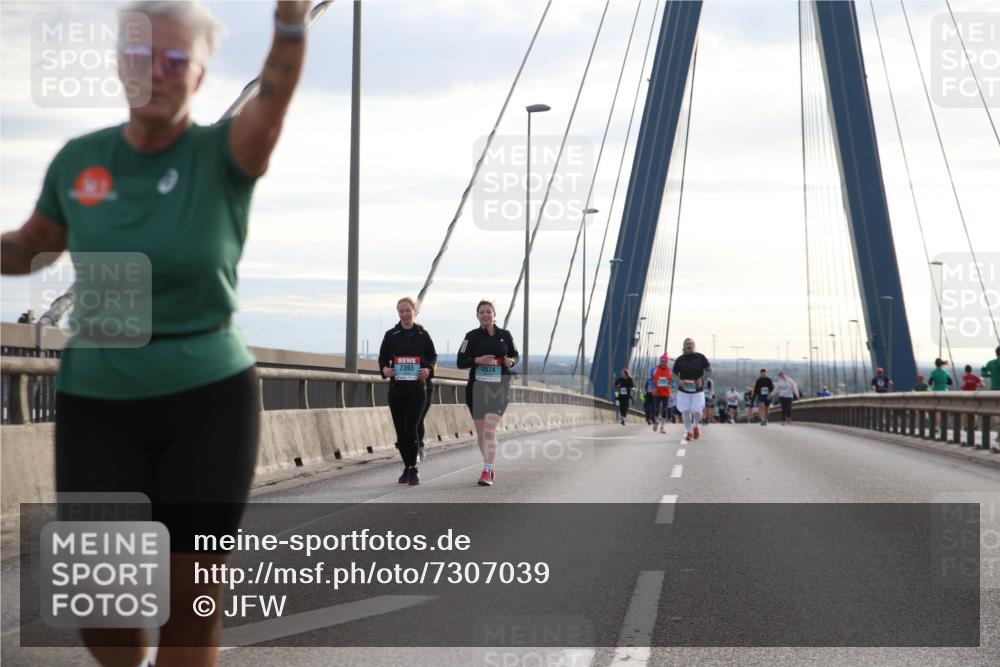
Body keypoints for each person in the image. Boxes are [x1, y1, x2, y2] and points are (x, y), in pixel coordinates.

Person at [0, 2, 310, 665]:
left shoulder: (225, 154)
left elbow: (275, 93)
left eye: (176, 61)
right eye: (142, 57)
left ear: (199, 78)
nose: (157, 73)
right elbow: (32, 246)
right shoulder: (80, 162)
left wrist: (289, 23)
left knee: (190, 607)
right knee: (101, 609)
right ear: (119, 65)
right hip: (99, 402)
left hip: (208, 400)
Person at [456, 300, 518, 486]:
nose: (485, 315)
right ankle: (488, 465)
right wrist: (477, 359)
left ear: (494, 314)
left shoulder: (505, 335)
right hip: (477, 389)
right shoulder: (471, 336)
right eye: (481, 312)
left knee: (490, 430)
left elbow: (515, 355)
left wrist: (511, 362)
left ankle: (486, 470)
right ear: (477, 316)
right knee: (482, 433)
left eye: (488, 311)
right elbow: (460, 361)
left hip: (499, 389)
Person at [379, 297, 437, 486]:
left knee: (411, 428)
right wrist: (385, 370)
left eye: (407, 310)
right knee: (400, 433)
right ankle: (407, 467)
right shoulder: (391, 335)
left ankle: (413, 468)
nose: (404, 314)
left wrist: (428, 370)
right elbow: (383, 359)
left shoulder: (422, 335)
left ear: (414, 311)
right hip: (397, 390)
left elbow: (432, 357)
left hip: (417, 390)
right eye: (401, 311)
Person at [671, 338, 712, 441]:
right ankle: (689, 431)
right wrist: (678, 380)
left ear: (694, 345)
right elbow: (674, 374)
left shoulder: (700, 357)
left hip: (697, 389)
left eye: (691, 343)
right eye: (687, 344)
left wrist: (702, 379)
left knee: (697, 410)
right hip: (683, 390)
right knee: (685, 411)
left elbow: (709, 370)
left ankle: (696, 426)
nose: (689, 345)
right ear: (684, 346)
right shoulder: (680, 359)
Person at [651, 354, 673, 433]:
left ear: (667, 362)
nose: (663, 363)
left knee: (664, 410)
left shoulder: (670, 371)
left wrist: (670, 386)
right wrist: (653, 388)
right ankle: (656, 422)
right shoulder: (655, 369)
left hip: (666, 393)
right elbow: (651, 380)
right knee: (656, 408)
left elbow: (672, 382)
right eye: (662, 361)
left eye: (665, 361)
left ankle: (662, 427)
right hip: (657, 392)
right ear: (660, 361)